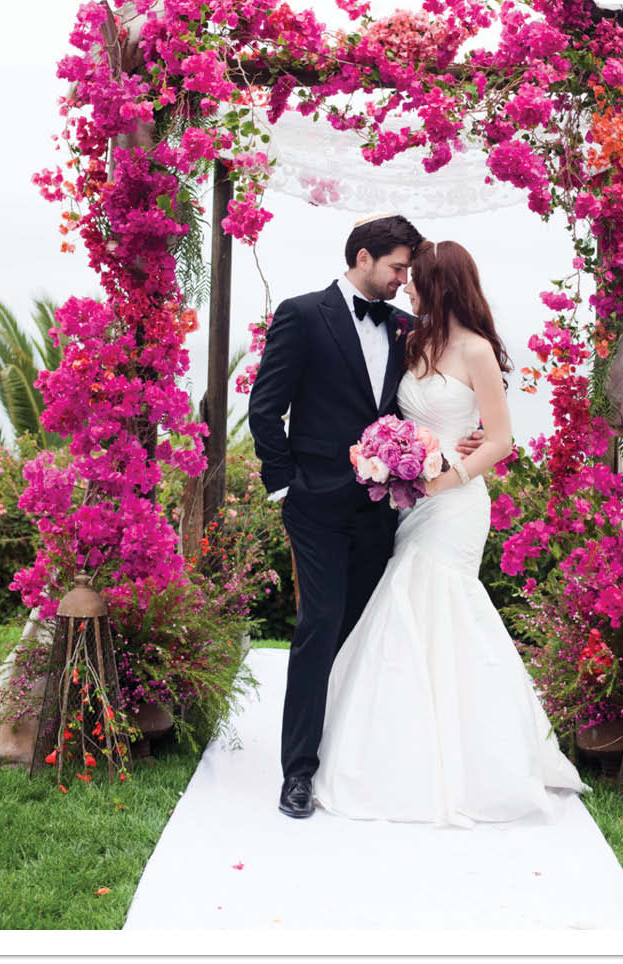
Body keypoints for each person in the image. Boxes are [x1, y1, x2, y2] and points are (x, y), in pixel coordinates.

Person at [312, 238, 590, 827]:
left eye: (415, 279)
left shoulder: (477, 352)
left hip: (456, 503)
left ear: (440, 285)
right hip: (409, 502)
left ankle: (469, 762)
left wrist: (448, 475)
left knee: (430, 600)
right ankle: (399, 747)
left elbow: (500, 439)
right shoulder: (409, 341)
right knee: (410, 607)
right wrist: (396, 460)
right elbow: (392, 414)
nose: (406, 286)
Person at [248, 215, 483, 819]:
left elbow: (436, 399)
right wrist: (284, 489)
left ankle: (359, 759)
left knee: (371, 635)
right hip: (316, 506)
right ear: (363, 258)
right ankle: (297, 772)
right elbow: (266, 409)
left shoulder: (408, 329)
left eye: (409, 270)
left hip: (389, 512)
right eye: (398, 268)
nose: (406, 279)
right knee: (319, 627)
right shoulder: (302, 314)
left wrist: (467, 435)